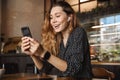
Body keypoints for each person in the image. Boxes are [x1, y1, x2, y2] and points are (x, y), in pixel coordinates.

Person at [21, 1, 92, 80]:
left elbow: (73, 69)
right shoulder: (57, 38)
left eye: (57, 16)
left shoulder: (78, 32)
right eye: (51, 17)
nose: (53, 21)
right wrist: (33, 54)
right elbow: (45, 69)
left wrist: (44, 53)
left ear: (69, 17)